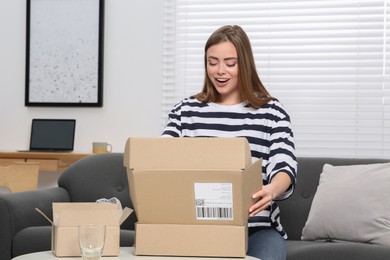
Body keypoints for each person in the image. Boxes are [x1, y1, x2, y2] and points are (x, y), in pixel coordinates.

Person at [162, 25, 297, 260]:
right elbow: (160, 159)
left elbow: (284, 164)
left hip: (257, 229)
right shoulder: (185, 111)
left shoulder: (272, 112)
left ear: (244, 65)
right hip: (196, 228)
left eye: (230, 63)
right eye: (212, 62)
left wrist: (271, 190)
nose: (220, 71)